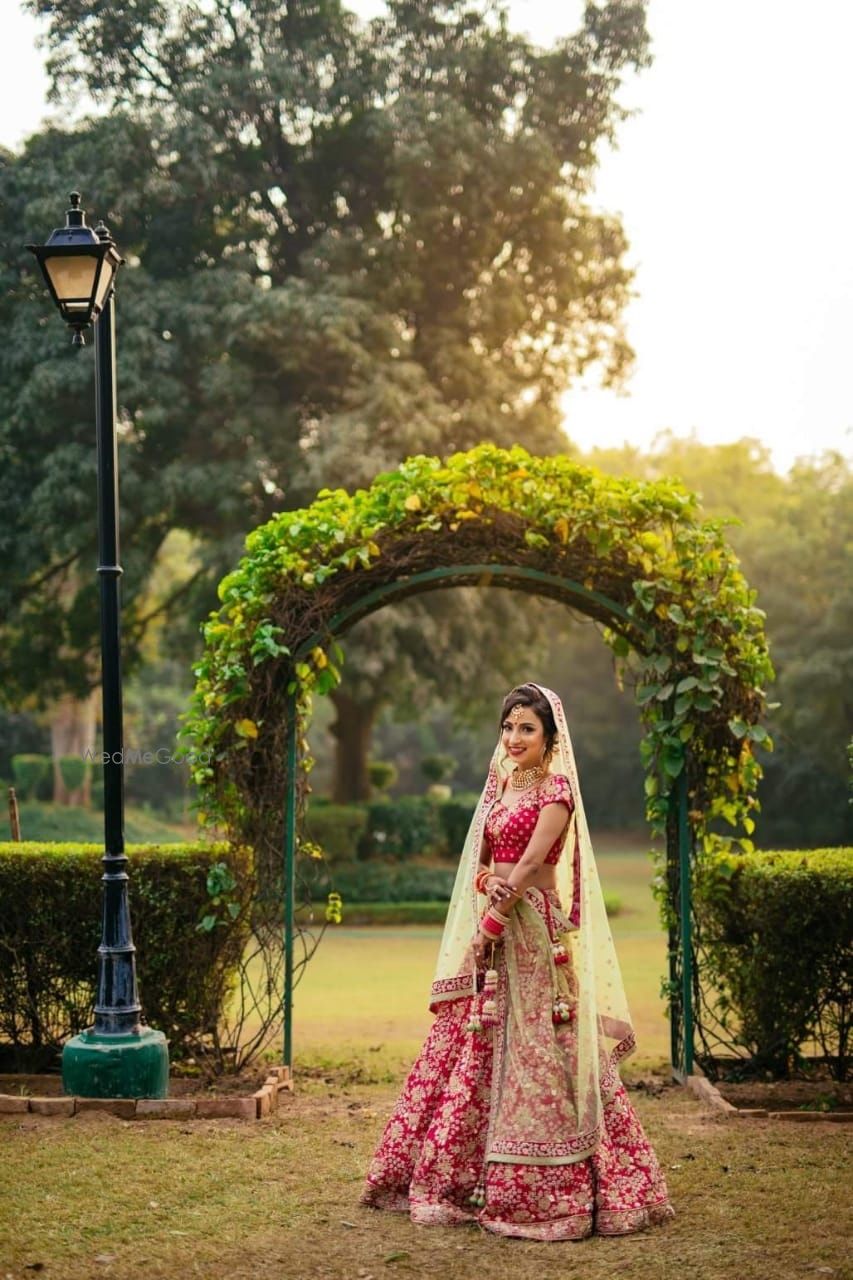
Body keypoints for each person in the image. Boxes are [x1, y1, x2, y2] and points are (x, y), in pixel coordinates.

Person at [360, 682, 675, 1240]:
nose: (514, 737)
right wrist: (484, 894)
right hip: (495, 929)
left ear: (550, 736)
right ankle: (458, 1180)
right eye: (508, 727)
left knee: (541, 1044)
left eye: (526, 728)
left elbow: (530, 864)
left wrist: (491, 921)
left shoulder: (557, 792)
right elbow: (485, 858)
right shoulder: (500, 787)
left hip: (531, 931)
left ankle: (552, 1189)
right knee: (476, 1038)